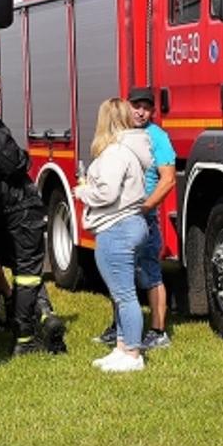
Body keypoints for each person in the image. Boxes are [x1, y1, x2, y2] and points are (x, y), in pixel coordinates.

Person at [0, 68, 66, 355]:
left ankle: (43, 317)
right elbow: (13, 163)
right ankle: (26, 337)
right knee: (29, 273)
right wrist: (24, 156)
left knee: (21, 269)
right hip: (19, 208)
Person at [74, 98, 154, 373]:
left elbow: (106, 192)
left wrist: (83, 191)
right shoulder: (131, 149)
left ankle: (132, 354)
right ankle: (122, 347)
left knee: (124, 295)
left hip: (116, 227)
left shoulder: (114, 153)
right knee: (122, 293)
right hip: (132, 223)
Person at [95, 88, 177, 350]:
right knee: (120, 276)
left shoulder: (157, 137)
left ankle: (158, 331)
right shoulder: (120, 136)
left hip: (144, 218)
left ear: (153, 111)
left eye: (146, 107)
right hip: (121, 217)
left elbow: (168, 179)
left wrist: (145, 207)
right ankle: (119, 328)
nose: (141, 112)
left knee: (151, 274)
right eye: (136, 106)